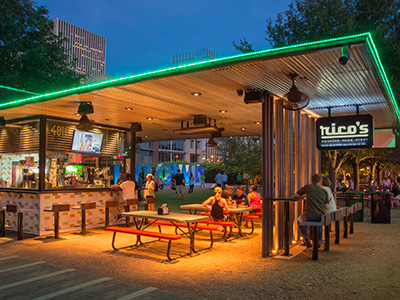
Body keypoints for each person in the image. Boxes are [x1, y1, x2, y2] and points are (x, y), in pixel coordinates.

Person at [295, 174, 330, 248]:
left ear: (311, 180)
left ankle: (306, 236)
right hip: (321, 216)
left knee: (299, 220)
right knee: (319, 222)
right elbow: (327, 206)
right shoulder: (324, 191)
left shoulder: (308, 187)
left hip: (310, 215)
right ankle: (319, 241)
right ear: (320, 181)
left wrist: (304, 197)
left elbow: (296, 195)